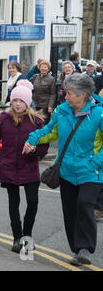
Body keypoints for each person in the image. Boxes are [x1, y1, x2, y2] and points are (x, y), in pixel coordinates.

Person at [24, 73, 103, 266]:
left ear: (83, 94)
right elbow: (50, 132)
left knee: (84, 203)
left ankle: (85, 247)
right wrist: (32, 139)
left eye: (69, 93)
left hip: (91, 171)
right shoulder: (61, 111)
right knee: (70, 210)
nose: (66, 97)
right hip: (66, 170)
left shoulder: (99, 113)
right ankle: (77, 250)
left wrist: (96, 163)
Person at [0, 80, 49, 253]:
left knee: (33, 202)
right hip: (8, 168)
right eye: (15, 100)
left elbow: (45, 143)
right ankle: (16, 238)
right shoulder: (4, 119)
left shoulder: (35, 121)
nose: (17, 104)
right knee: (13, 203)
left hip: (29, 168)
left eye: (21, 101)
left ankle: (27, 236)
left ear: (27, 102)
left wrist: (34, 150)